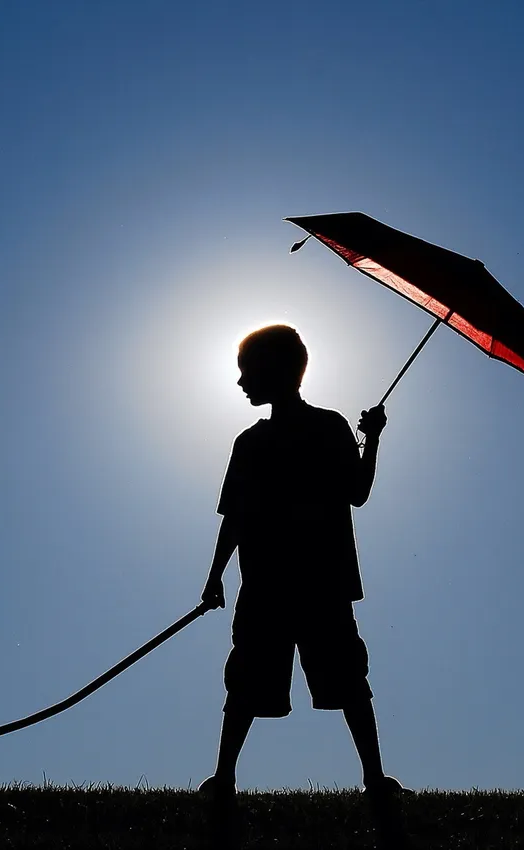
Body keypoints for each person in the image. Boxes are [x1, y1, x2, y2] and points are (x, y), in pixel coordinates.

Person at [199, 325, 410, 848]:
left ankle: (228, 780)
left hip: (299, 585)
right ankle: (228, 779)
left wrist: (374, 438)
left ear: (278, 372)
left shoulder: (303, 433)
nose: (241, 380)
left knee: (312, 683)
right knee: (260, 685)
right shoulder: (266, 439)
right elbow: (237, 516)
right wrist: (214, 576)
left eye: (249, 369)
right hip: (302, 584)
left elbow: (354, 492)